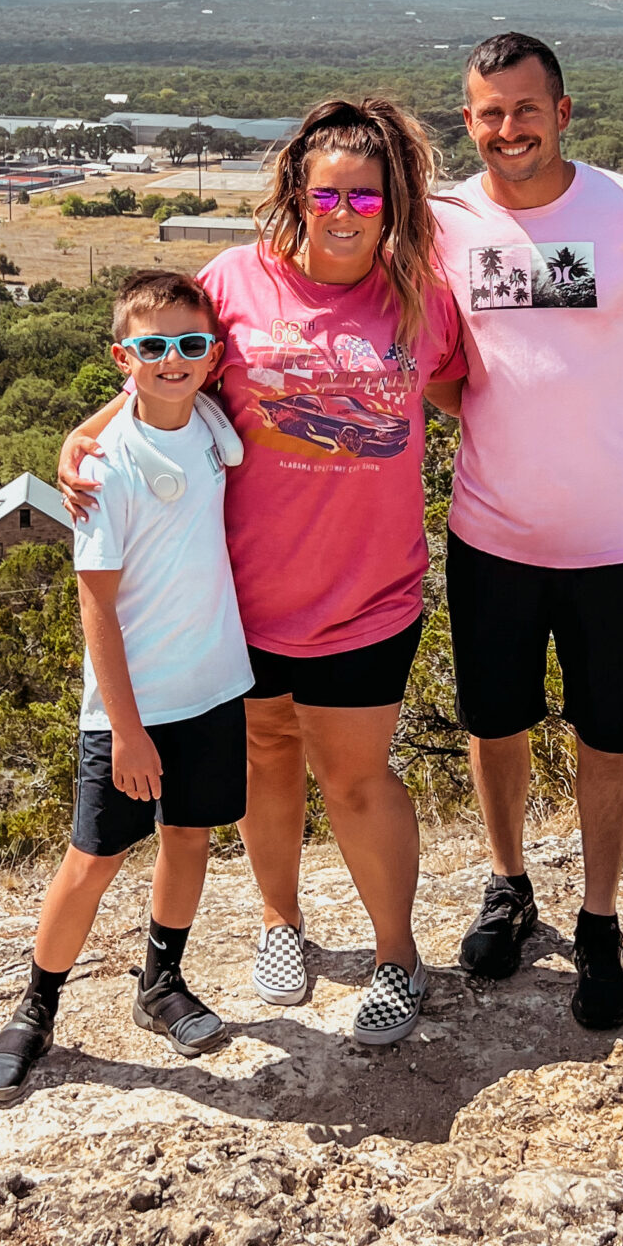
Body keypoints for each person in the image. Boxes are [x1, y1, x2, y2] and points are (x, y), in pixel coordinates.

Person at [61, 98, 464, 1048]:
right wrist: (82, 436)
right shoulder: (233, 283)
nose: (344, 213)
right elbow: (158, 379)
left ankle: (396, 956)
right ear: (294, 191)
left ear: (393, 202)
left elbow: (463, 390)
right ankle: (281, 922)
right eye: (327, 194)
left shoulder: (422, 301)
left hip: (369, 595)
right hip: (238, 597)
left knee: (359, 779)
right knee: (268, 755)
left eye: (366, 199)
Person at [430, 32, 623, 1033]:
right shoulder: (441, 222)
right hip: (490, 531)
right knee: (493, 723)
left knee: (610, 734)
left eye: (526, 108)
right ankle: (509, 885)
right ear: (467, 120)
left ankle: (599, 922)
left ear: (564, 111)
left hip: (612, 541)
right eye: (489, 112)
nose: (509, 128)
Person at [0, 270, 252, 1107]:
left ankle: (160, 982)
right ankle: (35, 1010)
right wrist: (126, 731)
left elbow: (177, 392)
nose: (174, 359)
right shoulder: (106, 468)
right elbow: (96, 606)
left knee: (191, 839)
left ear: (212, 356)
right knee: (93, 858)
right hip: (131, 708)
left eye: (190, 345)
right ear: (122, 355)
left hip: (213, 685)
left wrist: (96, 414)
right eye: (152, 347)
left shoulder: (209, 421)